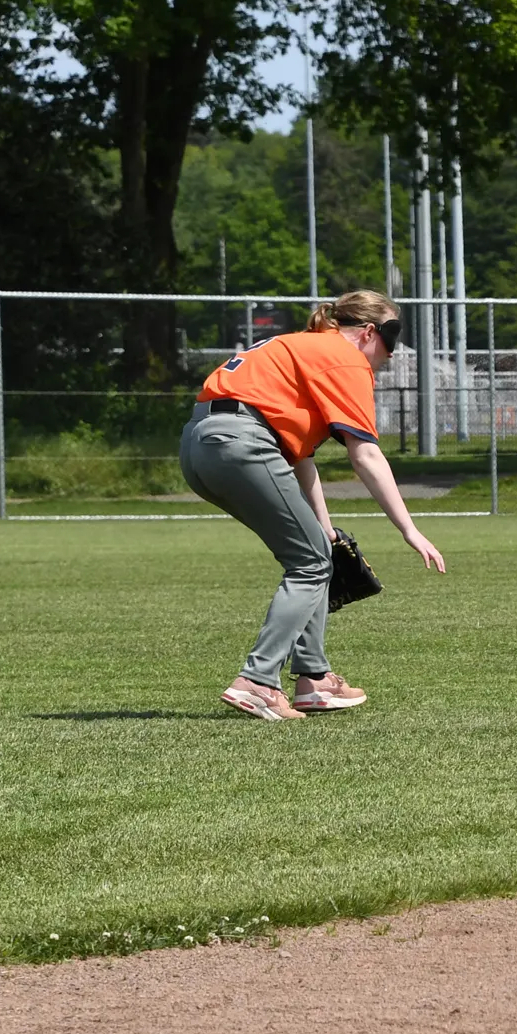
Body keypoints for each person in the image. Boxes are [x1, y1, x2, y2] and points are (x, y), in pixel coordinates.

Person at [181, 290, 447, 720]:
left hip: (203, 444)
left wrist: (324, 526)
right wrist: (409, 529)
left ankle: (314, 681)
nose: (391, 354)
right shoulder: (344, 358)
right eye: (390, 339)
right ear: (367, 332)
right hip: (241, 443)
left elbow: (298, 454)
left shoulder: (304, 347)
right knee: (309, 564)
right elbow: (365, 454)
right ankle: (258, 682)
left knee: (315, 554)